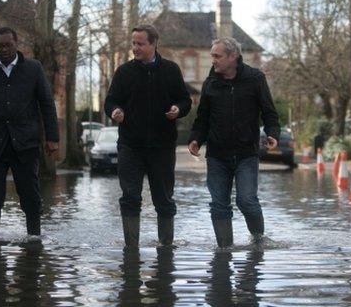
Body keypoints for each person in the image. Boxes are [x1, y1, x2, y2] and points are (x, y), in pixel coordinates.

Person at [0, 27, 59, 242]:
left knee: (30, 195)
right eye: (0, 46)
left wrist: (52, 138)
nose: (4, 50)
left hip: (25, 144)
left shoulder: (33, 69)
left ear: (16, 44)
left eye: (8, 45)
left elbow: (47, 103)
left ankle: (34, 238)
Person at [104, 24, 192, 248]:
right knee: (130, 197)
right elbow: (111, 101)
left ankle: (166, 246)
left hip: (162, 147)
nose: (135, 48)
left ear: (153, 44)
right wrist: (115, 111)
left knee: (163, 199)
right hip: (130, 146)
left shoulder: (171, 70)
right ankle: (131, 248)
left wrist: (177, 109)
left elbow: (185, 100)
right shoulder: (124, 72)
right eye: (133, 43)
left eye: (140, 44)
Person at [188, 37, 280, 248]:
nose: (213, 60)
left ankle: (258, 241)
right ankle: (224, 249)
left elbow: (269, 112)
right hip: (217, 155)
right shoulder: (210, 83)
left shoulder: (255, 79)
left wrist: (272, 133)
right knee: (219, 204)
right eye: (212, 56)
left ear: (233, 57)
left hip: (246, 153)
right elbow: (202, 118)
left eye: (217, 56)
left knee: (246, 201)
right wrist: (195, 139)